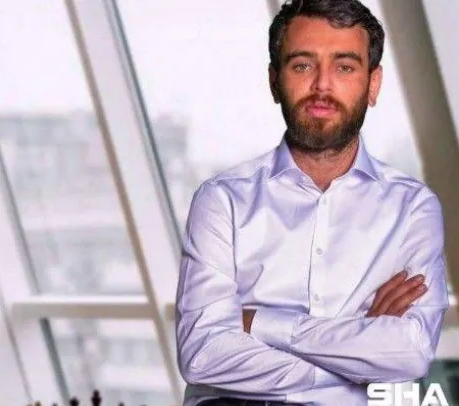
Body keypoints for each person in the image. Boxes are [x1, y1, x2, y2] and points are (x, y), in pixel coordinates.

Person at [175, 0, 450, 405]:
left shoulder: (412, 209)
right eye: (303, 65)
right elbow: (202, 354)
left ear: (373, 84)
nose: (322, 86)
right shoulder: (221, 201)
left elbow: (410, 352)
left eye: (345, 67)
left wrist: (260, 324)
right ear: (274, 81)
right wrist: (355, 361)